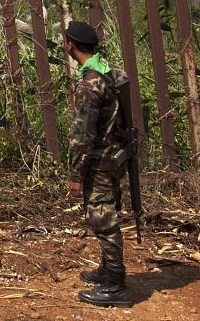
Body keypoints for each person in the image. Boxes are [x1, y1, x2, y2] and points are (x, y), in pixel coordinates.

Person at [64, 20, 135, 309]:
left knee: (102, 218)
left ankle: (115, 283)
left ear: (70, 45)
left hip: (101, 160)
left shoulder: (89, 82)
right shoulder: (110, 69)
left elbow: (82, 134)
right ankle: (107, 269)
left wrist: (75, 174)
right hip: (117, 153)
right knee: (108, 211)